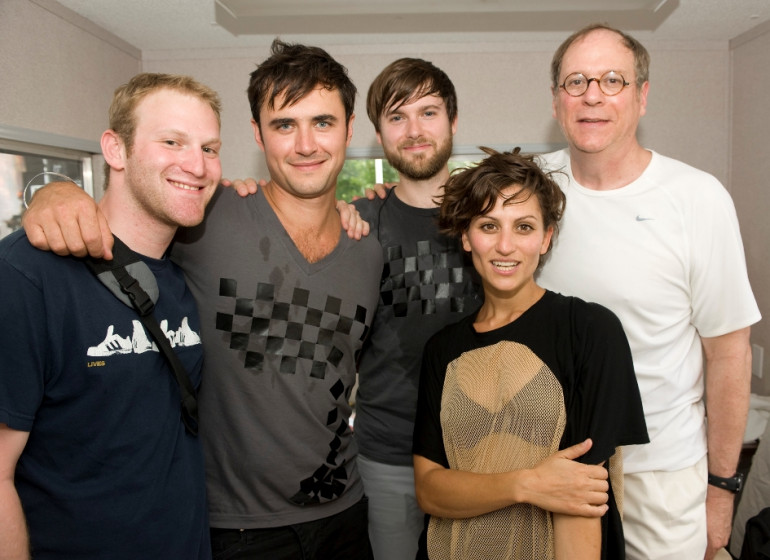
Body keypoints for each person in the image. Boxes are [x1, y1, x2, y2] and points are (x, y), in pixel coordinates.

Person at [22, 40, 383, 560]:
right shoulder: (204, 217)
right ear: (258, 134)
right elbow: (128, 215)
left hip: (344, 511)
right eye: (284, 124)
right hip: (231, 529)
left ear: (349, 130)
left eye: (322, 123)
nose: (305, 144)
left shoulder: (368, 249)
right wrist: (55, 194)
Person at [352, 58, 614, 560]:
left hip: (493, 446)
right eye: (397, 117)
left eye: (428, 113)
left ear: (453, 121)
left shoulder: (491, 211)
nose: (414, 130)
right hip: (389, 456)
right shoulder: (359, 222)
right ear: (378, 134)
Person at [538, 24, 761, 560]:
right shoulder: (528, 188)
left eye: (612, 80)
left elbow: (728, 354)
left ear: (642, 96)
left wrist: (721, 489)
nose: (592, 95)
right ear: (557, 100)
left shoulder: (697, 198)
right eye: (576, 81)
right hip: (549, 468)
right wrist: (365, 207)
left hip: (660, 476)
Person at [0, 72, 222, 558]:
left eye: (209, 148)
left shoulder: (183, 271)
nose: (197, 165)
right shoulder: (28, 274)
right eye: (172, 142)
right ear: (115, 150)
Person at [412, 147, 648, 559]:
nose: (505, 246)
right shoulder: (442, 350)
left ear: (546, 238)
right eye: (489, 226)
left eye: (523, 227)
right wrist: (527, 484)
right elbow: (430, 490)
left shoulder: (589, 330)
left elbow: (581, 496)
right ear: (466, 237)